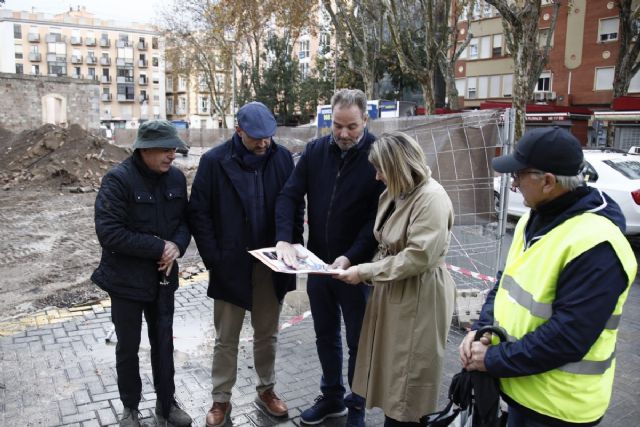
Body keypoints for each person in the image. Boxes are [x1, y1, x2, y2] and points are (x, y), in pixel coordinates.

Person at [459, 126, 637, 426]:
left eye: (518, 176)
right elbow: (505, 285)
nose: (513, 184)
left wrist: (492, 360)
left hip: (558, 408)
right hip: (522, 390)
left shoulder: (598, 245)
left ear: (548, 182)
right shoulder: (533, 219)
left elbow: (568, 337)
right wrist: (482, 329)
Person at [188, 102, 303, 427]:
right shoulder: (214, 161)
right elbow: (199, 212)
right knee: (226, 338)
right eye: (257, 138)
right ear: (238, 131)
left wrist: (292, 245)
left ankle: (266, 391)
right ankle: (220, 400)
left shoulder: (281, 158)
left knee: (267, 334)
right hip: (231, 265)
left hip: (272, 264)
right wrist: (215, 259)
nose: (264, 143)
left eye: (268, 136)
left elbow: (293, 203)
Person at [275, 89, 385, 427]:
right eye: (337, 125)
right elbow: (289, 195)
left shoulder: (378, 155)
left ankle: (357, 407)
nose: (343, 134)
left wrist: (351, 258)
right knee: (325, 334)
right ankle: (332, 396)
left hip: (356, 269)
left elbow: (377, 218)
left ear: (366, 120)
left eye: (351, 127)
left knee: (358, 341)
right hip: (318, 266)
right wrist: (285, 239)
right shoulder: (315, 151)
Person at [335, 131, 456, 427]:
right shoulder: (396, 192)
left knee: (408, 377)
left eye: (380, 169)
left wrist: (365, 271)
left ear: (398, 167)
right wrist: (354, 262)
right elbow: (385, 243)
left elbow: (416, 257)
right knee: (394, 372)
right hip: (394, 290)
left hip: (419, 294)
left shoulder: (432, 199)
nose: (376, 177)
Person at [91, 120, 192, 427]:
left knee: (164, 343)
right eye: (165, 149)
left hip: (163, 281)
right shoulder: (118, 180)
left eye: (174, 149)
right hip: (125, 281)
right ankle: (130, 409)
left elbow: (186, 222)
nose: (172, 155)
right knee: (128, 347)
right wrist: (158, 247)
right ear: (145, 150)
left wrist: (176, 245)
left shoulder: (176, 178)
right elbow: (109, 233)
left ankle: (166, 404)